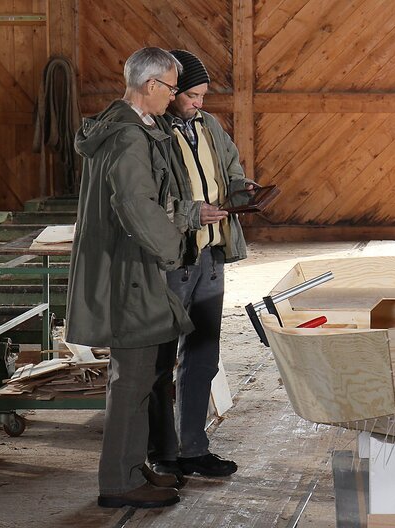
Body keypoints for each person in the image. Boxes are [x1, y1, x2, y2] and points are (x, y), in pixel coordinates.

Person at [65, 47, 192, 509]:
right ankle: (119, 482)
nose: (174, 96)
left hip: (126, 266)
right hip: (130, 272)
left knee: (136, 379)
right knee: (132, 381)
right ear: (150, 85)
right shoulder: (129, 137)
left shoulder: (115, 127)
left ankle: (133, 466)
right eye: (171, 88)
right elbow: (135, 205)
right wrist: (173, 249)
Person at [148, 49, 252, 480]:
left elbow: (230, 170)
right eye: (191, 95)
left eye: (202, 95)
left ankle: (193, 448)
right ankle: (162, 454)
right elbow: (146, 201)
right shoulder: (152, 132)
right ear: (170, 92)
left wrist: (244, 190)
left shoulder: (208, 126)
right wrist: (191, 213)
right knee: (159, 362)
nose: (198, 103)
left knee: (204, 355)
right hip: (172, 259)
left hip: (210, 255)